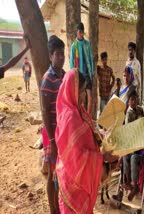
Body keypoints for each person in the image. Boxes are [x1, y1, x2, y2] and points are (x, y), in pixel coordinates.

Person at [55, 69, 102, 213]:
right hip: (72, 180)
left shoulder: (77, 110)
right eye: (81, 91)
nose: (83, 96)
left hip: (77, 176)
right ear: (72, 89)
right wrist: (101, 157)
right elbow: (76, 157)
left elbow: (89, 132)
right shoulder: (70, 117)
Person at [40, 35, 66, 214]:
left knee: (61, 170)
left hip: (63, 132)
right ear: (50, 56)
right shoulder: (48, 79)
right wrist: (51, 139)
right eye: (58, 54)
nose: (61, 57)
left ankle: (60, 204)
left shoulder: (64, 76)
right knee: (51, 173)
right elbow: (44, 113)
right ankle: (52, 209)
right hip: (51, 133)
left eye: (63, 54)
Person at [123, 90, 144, 201]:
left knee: (134, 157)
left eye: (135, 99)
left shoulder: (141, 110)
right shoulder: (129, 113)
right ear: (128, 102)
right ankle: (128, 181)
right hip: (132, 142)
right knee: (126, 156)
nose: (134, 101)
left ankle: (135, 185)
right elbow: (129, 130)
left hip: (140, 144)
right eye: (131, 99)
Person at [70, 22, 94, 115]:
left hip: (87, 74)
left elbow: (90, 59)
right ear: (76, 32)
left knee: (90, 97)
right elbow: (72, 62)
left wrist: (91, 72)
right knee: (81, 98)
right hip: (78, 75)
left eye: (82, 32)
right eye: (79, 32)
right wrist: (73, 76)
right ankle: (81, 117)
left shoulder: (87, 44)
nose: (81, 33)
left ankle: (88, 117)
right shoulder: (74, 46)